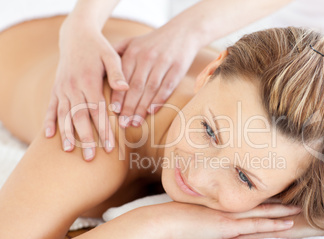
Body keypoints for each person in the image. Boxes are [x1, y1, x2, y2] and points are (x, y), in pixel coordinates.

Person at [0, 16, 324, 239]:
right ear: (209, 74)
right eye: (209, 131)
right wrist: (155, 224)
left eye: (245, 178)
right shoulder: (96, 135)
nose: (198, 173)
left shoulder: (313, 131)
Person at [44, 0, 293, 160]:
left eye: (244, 178)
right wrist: (79, 27)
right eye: (208, 131)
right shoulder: (112, 117)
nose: (199, 178)